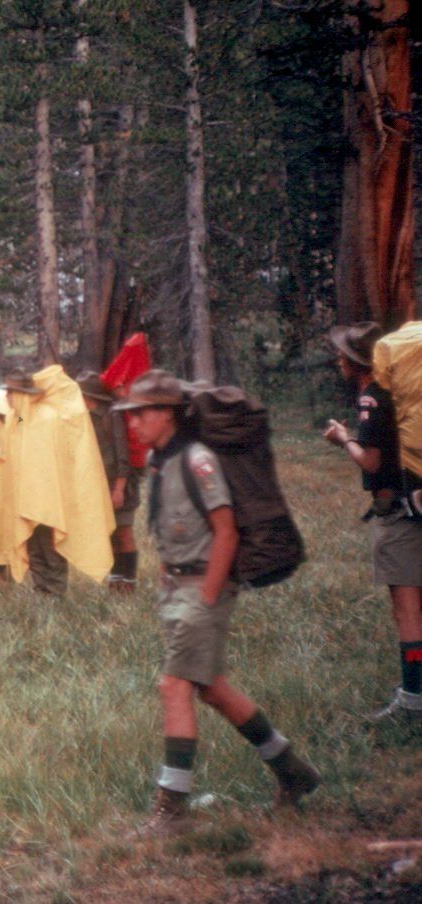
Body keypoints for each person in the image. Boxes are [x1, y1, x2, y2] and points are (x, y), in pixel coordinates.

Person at [116, 371, 320, 831]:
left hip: (203, 588)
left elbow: (226, 531)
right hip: (177, 588)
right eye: (131, 415)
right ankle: (293, 771)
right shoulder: (160, 459)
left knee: (174, 687)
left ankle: (172, 808)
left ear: (167, 414)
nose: (133, 423)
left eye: (141, 414)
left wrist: (208, 596)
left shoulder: (199, 460)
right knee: (212, 688)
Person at [323, 322, 422, 720]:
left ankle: (413, 698)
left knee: (407, 611)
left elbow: (371, 461)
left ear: (355, 362)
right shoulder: (399, 392)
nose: (338, 359)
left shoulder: (372, 397)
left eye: (343, 354)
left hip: (398, 514)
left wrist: (344, 439)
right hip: (417, 502)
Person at [0, 367, 115, 596]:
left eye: (11, 393)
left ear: (22, 394)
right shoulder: (20, 417)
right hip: (27, 497)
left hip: (49, 498)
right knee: (34, 544)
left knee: (49, 544)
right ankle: (41, 589)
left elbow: (55, 458)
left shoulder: (48, 417)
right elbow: (15, 444)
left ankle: (55, 591)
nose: (7, 397)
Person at [78, 371, 140, 593]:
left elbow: (122, 454)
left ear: (87, 396)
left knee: (124, 532)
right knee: (111, 534)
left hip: (119, 484)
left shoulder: (111, 416)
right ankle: (116, 580)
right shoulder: (82, 416)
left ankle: (129, 582)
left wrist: (119, 488)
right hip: (100, 486)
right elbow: (23, 420)